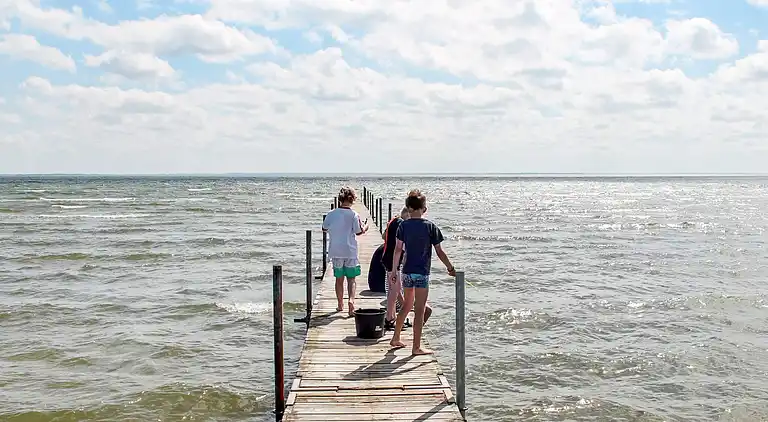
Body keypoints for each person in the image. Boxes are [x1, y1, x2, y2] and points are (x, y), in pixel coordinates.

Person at [390, 189, 454, 355]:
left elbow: (398, 250)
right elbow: (440, 251)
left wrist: (394, 270)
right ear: (424, 209)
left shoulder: (402, 225)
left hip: (406, 272)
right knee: (419, 311)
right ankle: (416, 347)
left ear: (408, 209)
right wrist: (450, 267)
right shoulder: (430, 227)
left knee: (406, 306)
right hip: (421, 273)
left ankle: (395, 337)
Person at [381, 207, 433, 330]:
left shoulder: (394, 221)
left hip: (387, 257)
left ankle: (392, 316)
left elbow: (385, 236)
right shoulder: (402, 225)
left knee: (394, 288)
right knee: (395, 289)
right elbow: (403, 245)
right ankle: (389, 318)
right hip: (394, 260)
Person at [322, 187, 369, 316]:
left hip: (336, 250)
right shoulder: (354, 214)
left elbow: (324, 228)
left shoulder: (331, 214)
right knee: (351, 279)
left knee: (339, 279)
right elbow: (358, 231)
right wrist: (366, 227)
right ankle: (351, 302)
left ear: (340, 199)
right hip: (350, 251)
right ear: (353, 199)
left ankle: (340, 304)